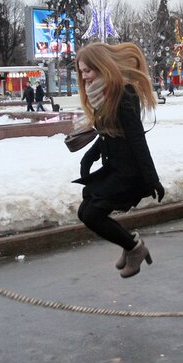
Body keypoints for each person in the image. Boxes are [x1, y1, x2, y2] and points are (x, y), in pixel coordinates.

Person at [74, 43, 164, 278]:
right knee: (84, 212)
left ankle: (135, 249)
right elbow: (108, 133)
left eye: (88, 71)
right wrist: (88, 157)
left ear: (102, 67)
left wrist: (152, 179)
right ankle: (131, 244)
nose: (85, 78)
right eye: (82, 72)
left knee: (93, 215)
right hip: (115, 167)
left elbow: (136, 139)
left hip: (129, 172)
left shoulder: (124, 94)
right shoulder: (101, 95)